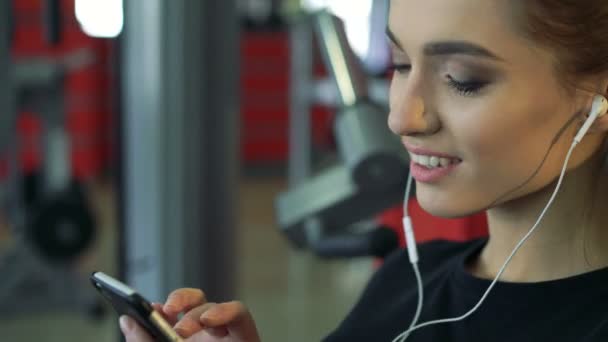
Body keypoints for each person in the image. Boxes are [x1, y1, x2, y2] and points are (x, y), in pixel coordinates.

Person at [119, 0, 608, 341]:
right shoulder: (404, 280)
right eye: (398, 65)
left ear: (597, 102)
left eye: (463, 80)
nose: (401, 117)